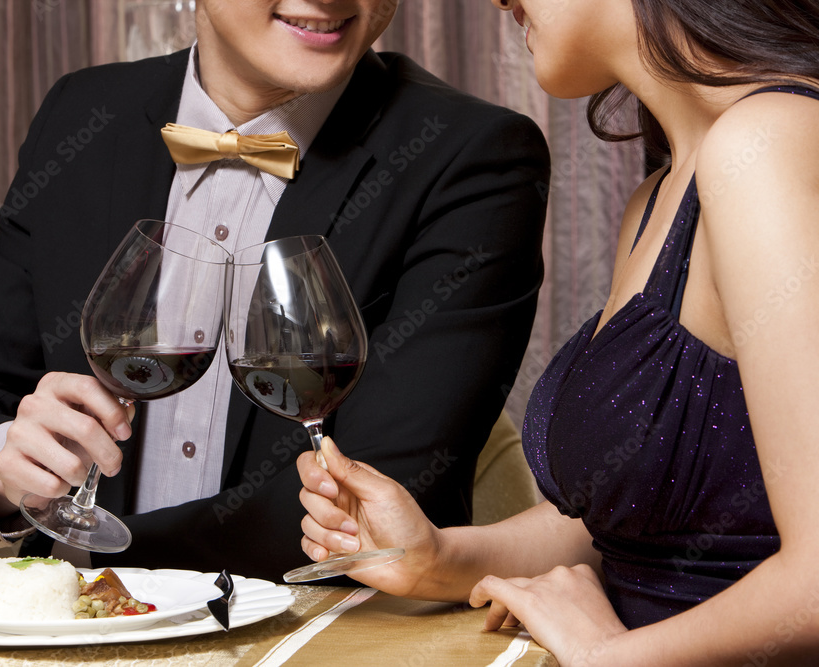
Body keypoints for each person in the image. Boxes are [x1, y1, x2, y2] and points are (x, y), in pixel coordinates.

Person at [0, 1, 550, 582]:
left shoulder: (472, 158)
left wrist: (85, 569)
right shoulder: (83, 115)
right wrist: (7, 472)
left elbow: (375, 503)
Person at [296, 0, 819, 663]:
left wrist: (609, 655)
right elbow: (626, 523)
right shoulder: (659, 197)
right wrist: (434, 556)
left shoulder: (768, 143)